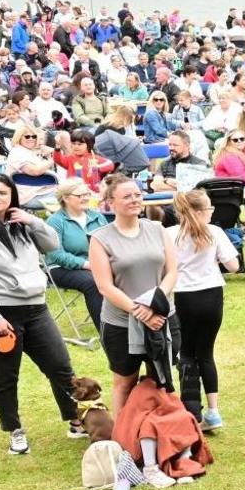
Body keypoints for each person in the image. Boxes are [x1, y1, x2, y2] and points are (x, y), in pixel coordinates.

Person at [0, 175, 81, 454]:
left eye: (2, 192)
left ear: (12, 195)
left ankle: (75, 420)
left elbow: (52, 244)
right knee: (5, 375)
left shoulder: (20, 222)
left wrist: (33, 221)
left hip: (35, 307)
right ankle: (15, 430)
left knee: (60, 366)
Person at [87, 175, 179, 430]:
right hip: (121, 323)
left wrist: (155, 306)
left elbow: (171, 272)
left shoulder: (157, 229)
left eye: (137, 194)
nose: (135, 200)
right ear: (111, 202)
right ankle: (124, 435)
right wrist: (141, 312)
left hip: (162, 317)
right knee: (125, 382)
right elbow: (105, 286)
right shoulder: (100, 238)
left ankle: (159, 431)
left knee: (160, 378)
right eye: (127, 196)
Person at [171, 188, 238, 431]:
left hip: (183, 297)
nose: (212, 211)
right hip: (211, 296)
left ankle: (191, 411)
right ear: (199, 211)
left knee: (186, 352)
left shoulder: (170, 235)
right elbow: (233, 266)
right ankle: (213, 411)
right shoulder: (215, 233)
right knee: (206, 353)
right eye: (209, 208)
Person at [46, 179, 108, 331]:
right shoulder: (55, 221)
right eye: (80, 195)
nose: (86, 198)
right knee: (92, 282)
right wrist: (86, 265)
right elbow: (56, 254)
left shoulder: (97, 217)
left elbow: (110, 244)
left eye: (87, 194)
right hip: (61, 268)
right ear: (66, 198)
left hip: (96, 264)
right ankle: (106, 331)